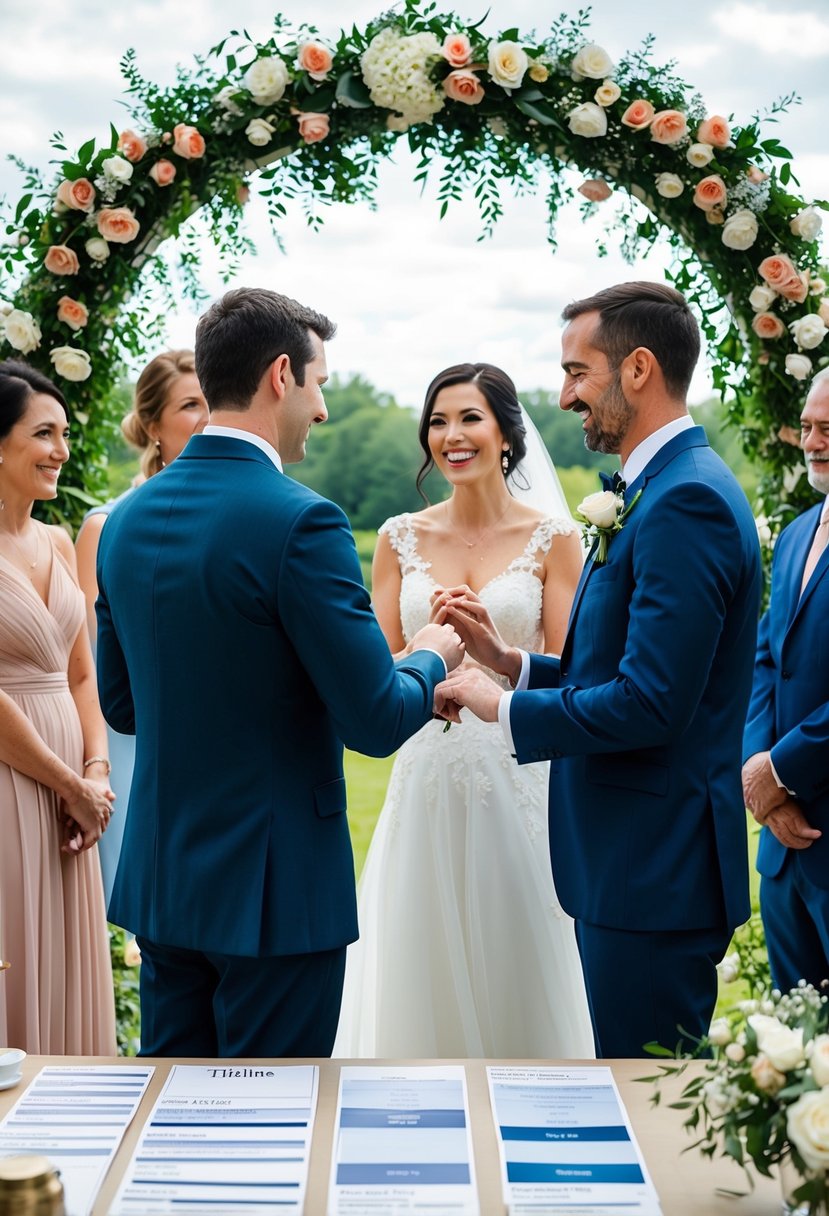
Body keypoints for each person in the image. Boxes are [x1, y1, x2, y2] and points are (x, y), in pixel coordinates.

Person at [95, 287, 464, 1058]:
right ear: (278, 377)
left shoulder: (124, 522)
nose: (322, 406)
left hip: (165, 886)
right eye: (318, 380)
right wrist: (433, 652)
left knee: (174, 1127)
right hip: (274, 894)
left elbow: (124, 706)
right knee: (270, 1137)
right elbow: (372, 720)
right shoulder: (303, 522)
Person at [434, 282, 762, 1058]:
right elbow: (626, 665)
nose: (563, 395)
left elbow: (651, 703)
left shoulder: (687, 501)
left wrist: (502, 708)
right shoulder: (656, 489)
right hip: (634, 864)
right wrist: (512, 662)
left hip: (654, 867)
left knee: (652, 1096)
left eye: (578, 373)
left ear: (638, 368)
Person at [334, 362, 595, 1058]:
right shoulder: (398, 537)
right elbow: (376, 666)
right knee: (420, 958)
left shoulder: (556, 539)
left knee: (523, 951)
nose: (451, 435)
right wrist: (426, 672)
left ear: (507, 434)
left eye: (469, 418)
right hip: (427, 772)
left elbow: (571, 676)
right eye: (439, 420)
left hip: (519, 771)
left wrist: (496, 683)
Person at [0, 360, 116, 1054]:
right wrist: (68, 783)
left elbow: (81, 673)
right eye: (45, 434)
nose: (63, 452)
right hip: (15, 782)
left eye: (65, 434)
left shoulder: (56, 540)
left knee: (64, 966)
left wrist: (96, 771)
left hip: (72, 797)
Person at [75, 350, 208, 906]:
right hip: (135, 743)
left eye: (213, 402)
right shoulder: (106, 527)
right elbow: (88, 661)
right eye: (190, 405)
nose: (207, 417)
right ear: (153, 425)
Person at [743, 367, 829, 992]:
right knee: (795, 1054)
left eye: (828, 429)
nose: (812, 441)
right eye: (805, 426)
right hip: (784, 846)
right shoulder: (798, 532)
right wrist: (759, 770)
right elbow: (769, 657)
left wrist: (783, 769)